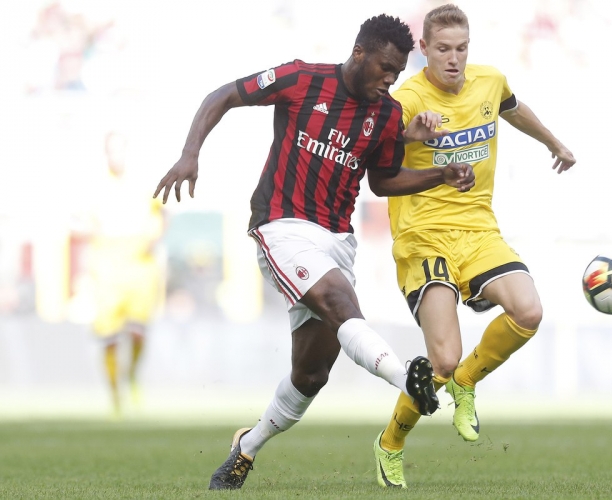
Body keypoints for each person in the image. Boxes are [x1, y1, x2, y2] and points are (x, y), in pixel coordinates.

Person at [152, 14, 475, 491]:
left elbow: (384, 180)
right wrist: (190, 153)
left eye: (397, 72)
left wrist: (440, 175)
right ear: (360, 53)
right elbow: (222, 95)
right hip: (281, 226)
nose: (390, 79)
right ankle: (407, 377)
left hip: (337, 241)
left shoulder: (387, 114)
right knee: (341, 302)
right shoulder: (302, 79)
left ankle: (247, 447)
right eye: (385, 67)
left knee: (311, 375)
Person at [372, 4, 576, 489]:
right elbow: (377, 163)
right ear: (424, 49)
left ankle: (467, 381)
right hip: (423, 236)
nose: (453, 59)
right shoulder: (406, 99)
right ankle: (390, 443)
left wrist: (554, 142)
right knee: (442, 360)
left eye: (461, 48)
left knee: (529, 311)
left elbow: (512, 107)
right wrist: (407, 135)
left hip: (479, 229)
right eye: (443, 49)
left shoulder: (490, 81)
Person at [89, 131, 164, 418]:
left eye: (120, 150)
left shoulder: (144, 183)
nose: (116, 156)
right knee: (108, 337)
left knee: (137, 332)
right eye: (112, 150)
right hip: (107, 265)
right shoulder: (95, 185)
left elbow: (164, 213)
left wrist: (153, 240)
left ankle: (131, 374)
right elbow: (81, 222)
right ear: (105, 153)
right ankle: (115, 396)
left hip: (139, 264)